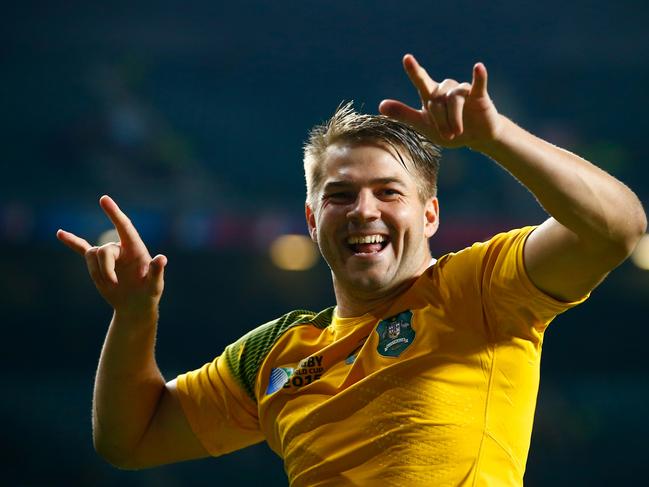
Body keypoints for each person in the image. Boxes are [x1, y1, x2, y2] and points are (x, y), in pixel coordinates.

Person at [57, 54, 646, 486]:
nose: (364, 209)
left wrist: (496, 138)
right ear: (312, 219)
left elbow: (618, 228)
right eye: (340, 195)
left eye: (389, 192)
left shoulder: (480, 288)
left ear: (431, 213)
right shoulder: (272, 355)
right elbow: (128, 441)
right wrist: (135, 316)